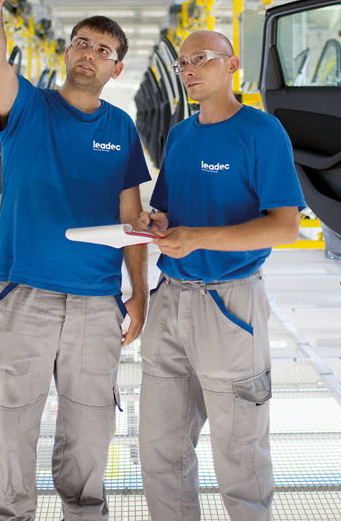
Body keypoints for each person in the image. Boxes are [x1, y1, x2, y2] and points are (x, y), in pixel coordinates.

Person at [0, 0, 150, 520]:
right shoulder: (28, 107)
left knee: (91, 424)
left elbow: (131, 216)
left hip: (97, 301)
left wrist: (139, 292)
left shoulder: (121, 128)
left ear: (116, 68)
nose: (89, 54)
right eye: (81, 43)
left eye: (103, 50)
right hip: (25, 291)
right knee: (12, 420)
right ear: (67, 52)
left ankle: (85, 512)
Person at [136, 29, 304, 521]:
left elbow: (285, 226)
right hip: (170, 298)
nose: (188, 69)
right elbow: (170, 211)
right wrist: (157, 223)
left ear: (232, 65)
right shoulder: (180, 136)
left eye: (201, 58)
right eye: (182, 63)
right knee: (160, 447)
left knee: (239, 449)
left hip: (228, 305)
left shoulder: (262, 131)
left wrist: (199, 238)